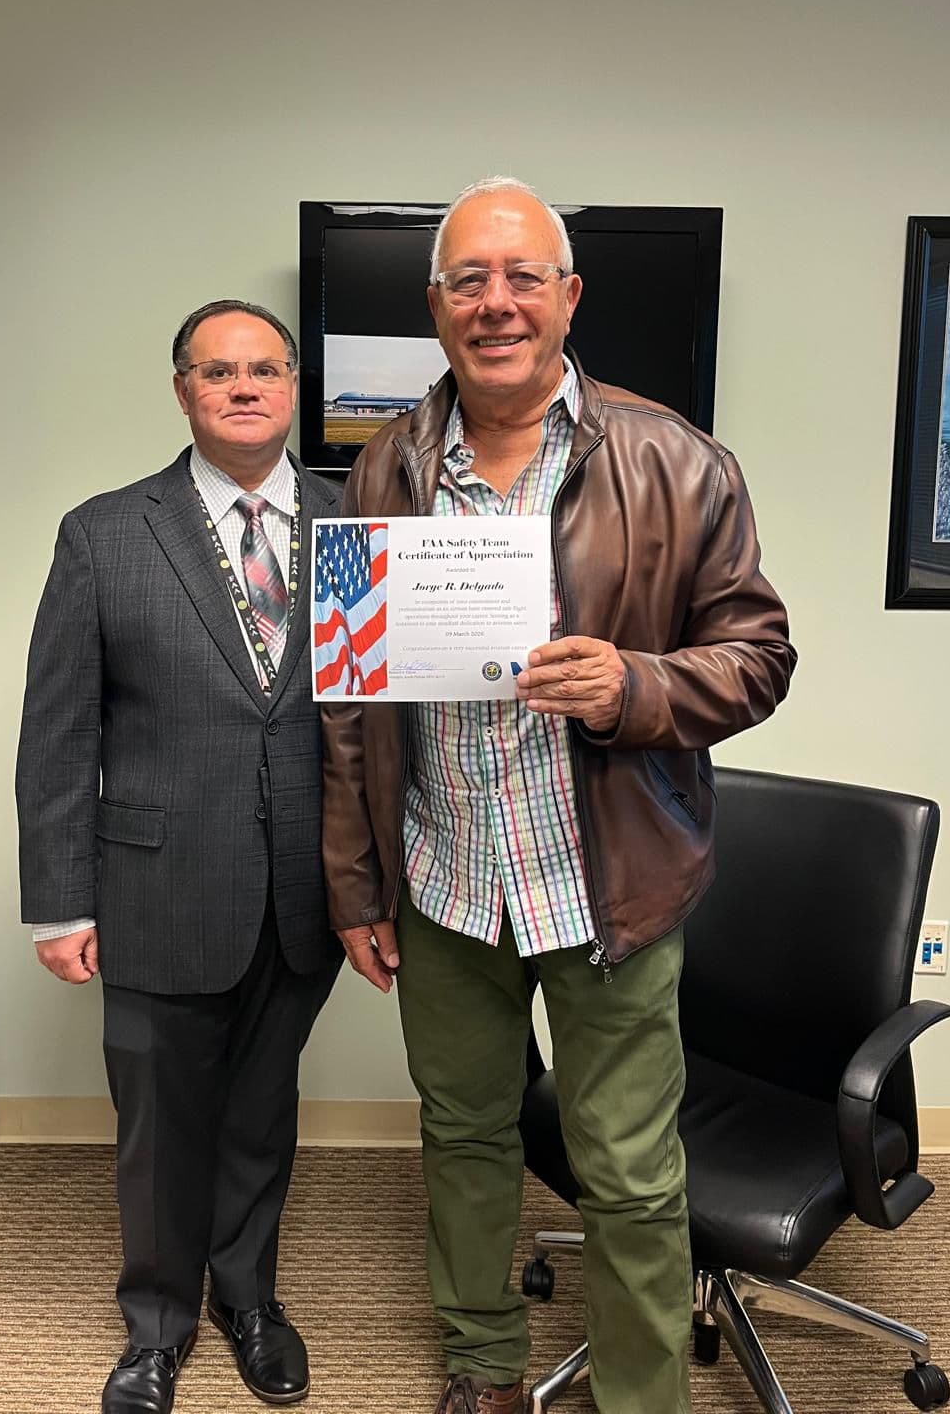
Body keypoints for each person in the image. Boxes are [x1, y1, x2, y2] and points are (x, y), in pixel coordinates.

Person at [321, 178, 796, 1414]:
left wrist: (636, 682)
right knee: (464, 1136)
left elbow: (759, 657)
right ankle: (484, 1363)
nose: (498, 303)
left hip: (606, 887)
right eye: (470, 279)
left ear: (569, 296)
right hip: (444, 880)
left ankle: (641, 1396)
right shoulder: (384, 462)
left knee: (631, 1171)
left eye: (524, 276)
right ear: (435, 306)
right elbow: (353, 706)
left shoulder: (675, 458)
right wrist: (354, 882)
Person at [17, 300, 342, 1414]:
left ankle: (249, 1299)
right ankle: (157, 1325)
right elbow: (60, 728)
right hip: (154, 882)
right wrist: (58, 902)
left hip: (306, 890)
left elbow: (382, 727)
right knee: (161, 1123)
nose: (245, 387)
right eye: (219, 371)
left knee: (263, 1106)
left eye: (265, 369)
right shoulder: (105, 532)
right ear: (184, 392)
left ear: (294, 387)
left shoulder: (359, 528)